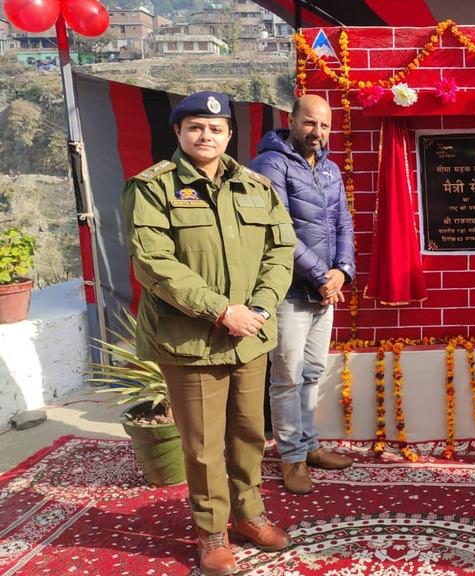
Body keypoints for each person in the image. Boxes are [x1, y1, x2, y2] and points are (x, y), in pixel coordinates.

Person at [123, 91, 296, 575]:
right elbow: (153, 263)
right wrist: (222, 311)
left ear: (229, 135)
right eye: (196, 127)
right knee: (201, 445)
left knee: (248, 434)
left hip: (250, 335)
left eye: (216, 129)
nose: (207, 135)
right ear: (178, 133)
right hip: (191, 340)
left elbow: (280, 253)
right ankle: (211, 531)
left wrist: (259, 307)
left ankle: (248, 516)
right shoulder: (152, 188)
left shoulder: (257, 188)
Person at [250, 94, 357, 495]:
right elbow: (278, 229)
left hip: (323, 291)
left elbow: (344, 223)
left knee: (312, 373)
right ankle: (291, 458)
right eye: (310, 123)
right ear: (291, 120)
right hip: (288, 290)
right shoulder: (269, 165)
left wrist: (342, 272)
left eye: (325, 126)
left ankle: (309, 446)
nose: (318, 133)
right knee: (287, 377)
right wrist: (319, 275)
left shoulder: (329, 170)